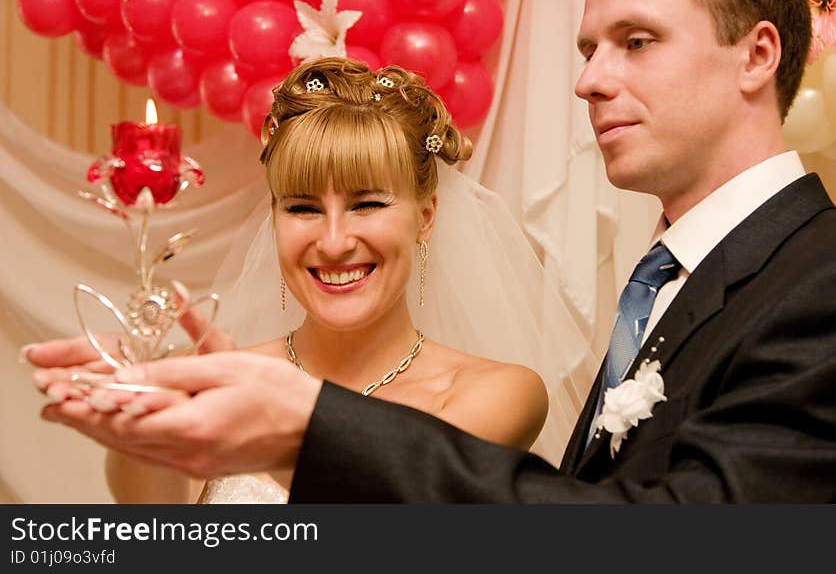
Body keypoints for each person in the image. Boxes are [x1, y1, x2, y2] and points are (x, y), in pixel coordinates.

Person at [29, 0, 836, 502]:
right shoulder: (667, 284)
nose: (588, 78)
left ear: (757, 54)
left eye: (636, 40)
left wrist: (305, 424)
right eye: (587, 48)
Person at [28, 57, 596, 503]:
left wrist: (263, 426)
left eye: (367, 204)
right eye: (301, 209)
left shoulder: (497, 394)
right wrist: (144, 427)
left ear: (425, 217)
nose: (331, 241)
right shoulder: (218, 379)